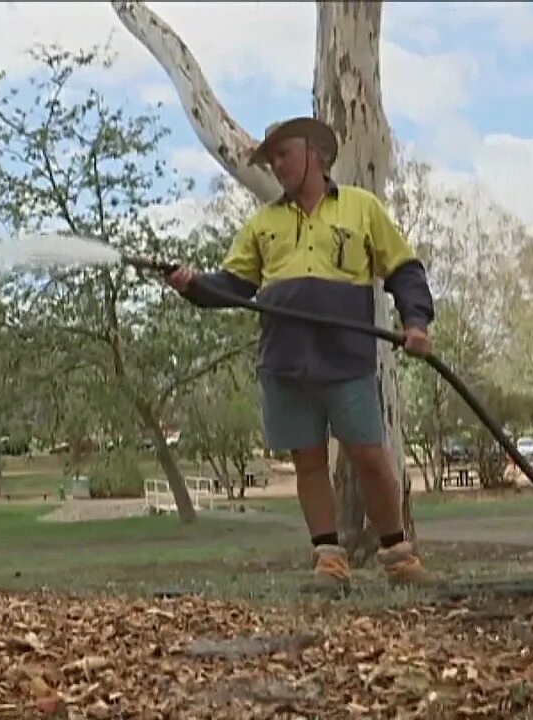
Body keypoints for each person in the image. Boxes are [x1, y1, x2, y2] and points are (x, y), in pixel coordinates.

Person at [163, 116, 435, 587]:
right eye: (271, 159)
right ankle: (329, 560)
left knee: (370, 456)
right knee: (307, 461)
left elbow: (404, 270)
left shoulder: (361, 209)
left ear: (314, 153)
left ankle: (400, 558)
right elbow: (232, 286)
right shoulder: (263, 224)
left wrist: (415, 322)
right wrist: (193, 286)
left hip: (347, 357)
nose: (276, 165)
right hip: (285, 358)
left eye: (283, 154)